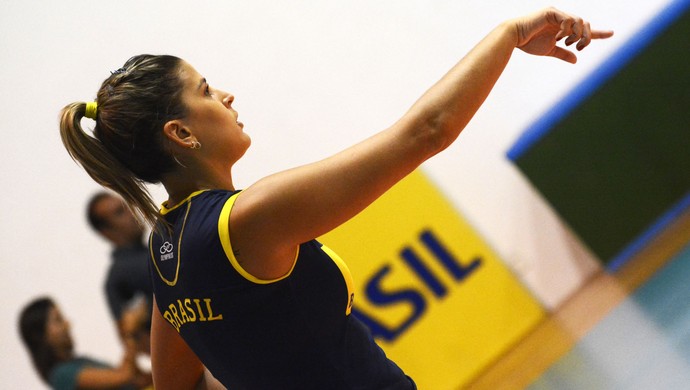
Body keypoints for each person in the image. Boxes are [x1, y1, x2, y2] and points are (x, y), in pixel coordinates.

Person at [59, 7, 612, 389]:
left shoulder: (166, 252)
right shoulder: (247, 220)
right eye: (205, 90)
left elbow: (174, 385)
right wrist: (511, 33)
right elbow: (426, 132)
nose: (226, 95)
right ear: (181, 133)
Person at [18, 296, 152, 390]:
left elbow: (134, 379)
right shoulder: (61, 375)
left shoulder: (80, 361)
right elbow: (124, 376)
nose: (67, 324)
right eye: (58, 320)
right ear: (41, 335)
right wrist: (129, 331)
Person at [86, 191, 153, 355]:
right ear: (106, 232)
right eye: (119, 212)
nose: (132, 213)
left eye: (127, 206)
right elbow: (131, 337)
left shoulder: (159, 247)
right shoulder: (117, 278)